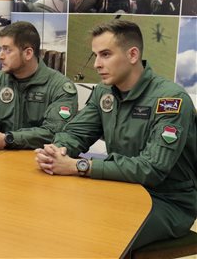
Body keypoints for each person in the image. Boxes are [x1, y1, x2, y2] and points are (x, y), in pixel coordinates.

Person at [35, 20, 196, 250]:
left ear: (132, 55)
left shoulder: (170, 100)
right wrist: (57, 150)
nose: (97, 64)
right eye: (96, 56)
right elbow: (75, 133)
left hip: (166, 201)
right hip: (120, 188)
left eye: (106, 55)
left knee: (96, 233)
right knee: (55, 212)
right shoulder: (104, 93)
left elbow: (152, 169)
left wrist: (80, 166)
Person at [0, 21, 78, 150]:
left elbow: (54, 132)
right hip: (0, 156)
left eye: (7, 50)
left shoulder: (60, 87)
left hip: (40, 157)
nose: (0, 56)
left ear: (28, 53)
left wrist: (8, 139)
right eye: (0, 49)